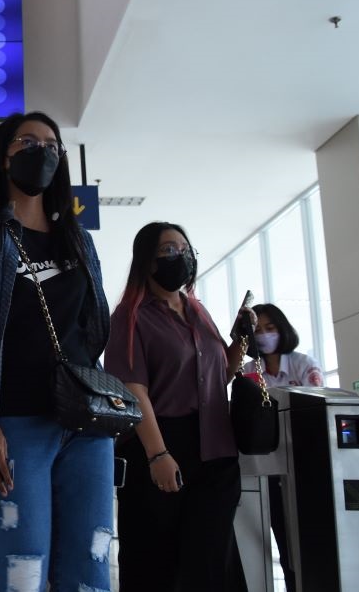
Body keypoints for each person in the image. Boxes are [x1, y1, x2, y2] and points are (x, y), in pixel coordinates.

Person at [0, 112, 114, 592]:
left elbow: (96, 324)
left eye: (53, 145)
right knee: (22, 570)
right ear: (3, 157)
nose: (43, 151)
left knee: (91, 569)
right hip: (15, 422)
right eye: (29, 141)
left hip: (86, 424)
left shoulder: (77, 239)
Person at [104, 222, 253, 592]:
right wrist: (158, 455)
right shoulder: (131, 315)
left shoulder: (197, 311)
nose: (181, 257)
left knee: (212, 559)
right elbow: (132, 388)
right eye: (169, 250)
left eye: (186, 250)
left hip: (216, 447)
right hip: (161, 444)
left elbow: (219, 377)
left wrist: (240, 342)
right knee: (155, 562)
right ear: (146, 261)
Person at [243, 302, 324, 592]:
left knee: (310, 540)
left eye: (270, 328)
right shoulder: (251, 370)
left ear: (282, 329)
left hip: (307, 467)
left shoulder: (304, 364)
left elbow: (315, 409)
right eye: (258, 330)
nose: (264, 335)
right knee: (283, 541)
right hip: (271, 470)